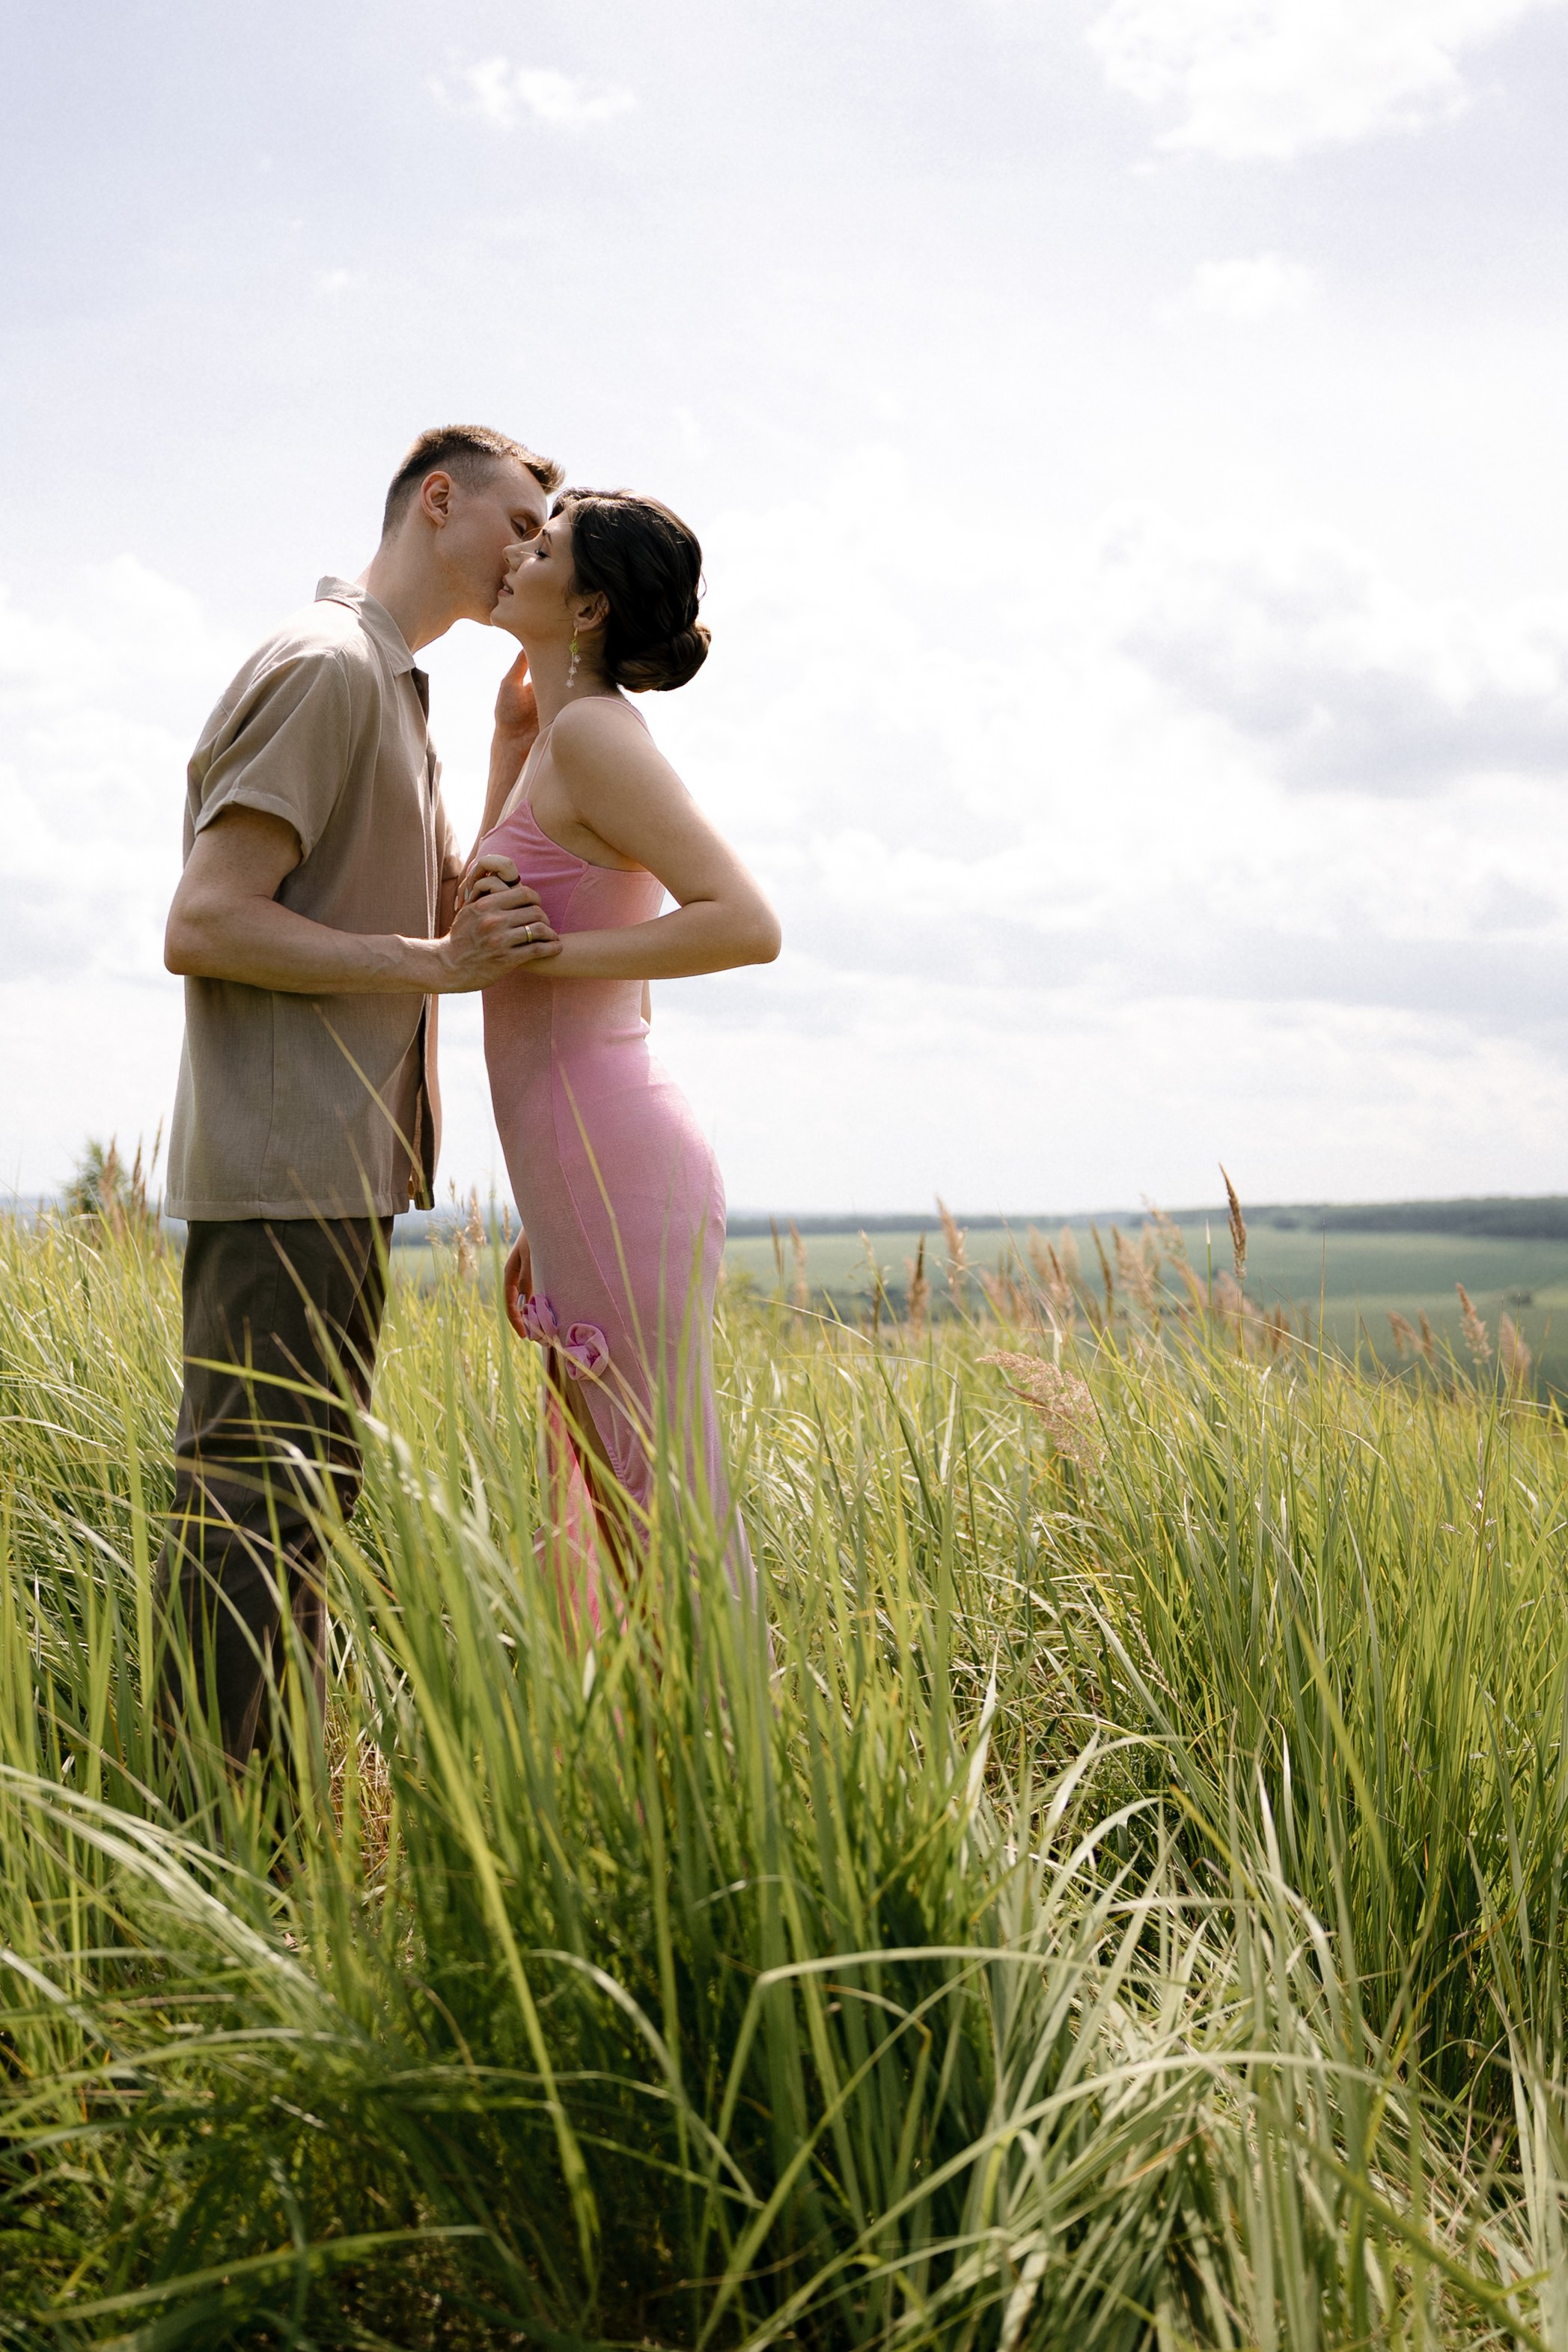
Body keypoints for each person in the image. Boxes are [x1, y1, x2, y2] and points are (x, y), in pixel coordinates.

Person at [159, 424, 567, 1764]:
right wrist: (438, 964)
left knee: (294, 1502)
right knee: (252, 1510)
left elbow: (435, 909)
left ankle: (258, 1832)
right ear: (436, 501)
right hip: (284, 1167)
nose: (532, 549)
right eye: (519, 520)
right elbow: (207, 922)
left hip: (335, 1170)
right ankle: (226, 1846)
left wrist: (512, 746)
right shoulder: (330, 669)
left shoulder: (398, 690)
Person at [465, 489, 780, 1609]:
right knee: (622, 1506)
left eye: (540, 548)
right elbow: (479, 904)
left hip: (615, 1150)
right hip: (584, 1166)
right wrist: (507, 738)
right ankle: (664, 1772)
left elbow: (745, 920)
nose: (514, 553)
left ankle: (734, 1771)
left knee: (666, 1515)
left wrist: (552, 960)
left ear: (588, 603)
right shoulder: (562, 738)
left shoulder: (598, 737)